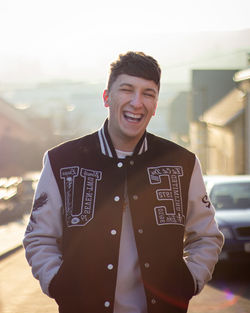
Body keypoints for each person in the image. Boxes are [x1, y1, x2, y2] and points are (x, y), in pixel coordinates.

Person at [23, 51, 224, 313]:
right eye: (127, 90)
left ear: (156, 103)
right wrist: (59, 283)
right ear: (107, 97)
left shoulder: (182, 163)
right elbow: (39, 237)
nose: (137, 102)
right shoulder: (61, 161)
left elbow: (207, 236)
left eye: (148, 93)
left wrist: (190, 280)